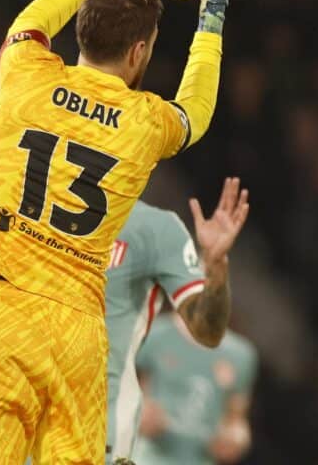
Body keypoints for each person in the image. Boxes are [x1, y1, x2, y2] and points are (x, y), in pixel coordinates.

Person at [0, 0, 238, 464]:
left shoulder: (26, 74)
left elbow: (28, 23)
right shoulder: (146, 123)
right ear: (139, 50)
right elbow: (195, 109)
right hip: (76, 327)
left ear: (79, 31)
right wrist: (212, 11)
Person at [106, 177, 249, 464]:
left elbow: (208, 332)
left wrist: (216, 264)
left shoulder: (156, 229)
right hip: (23, 392)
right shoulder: (34, 202)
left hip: (102, 424)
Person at [133, 314, 257, 465]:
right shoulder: (154, 333)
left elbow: (236, 419)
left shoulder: (240, 354)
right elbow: (124, 398)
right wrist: (140, 414)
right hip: (147, 456)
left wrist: (235, 439)